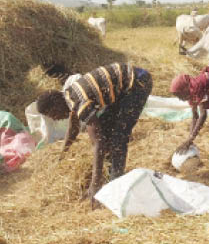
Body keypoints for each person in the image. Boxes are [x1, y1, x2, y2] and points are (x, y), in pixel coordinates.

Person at [35, 63, 152, 206]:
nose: (55, 118)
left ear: (56, 104)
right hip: (126, 87)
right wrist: (62, 155)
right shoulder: (69, 95)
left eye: (52, 114)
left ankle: (116, 185)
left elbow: (98, 143)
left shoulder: (79, 102)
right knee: (105, 126)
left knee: (118, 136)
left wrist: (94, 185)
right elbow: (73, 128)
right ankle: (111, 174)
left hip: (137, 83)